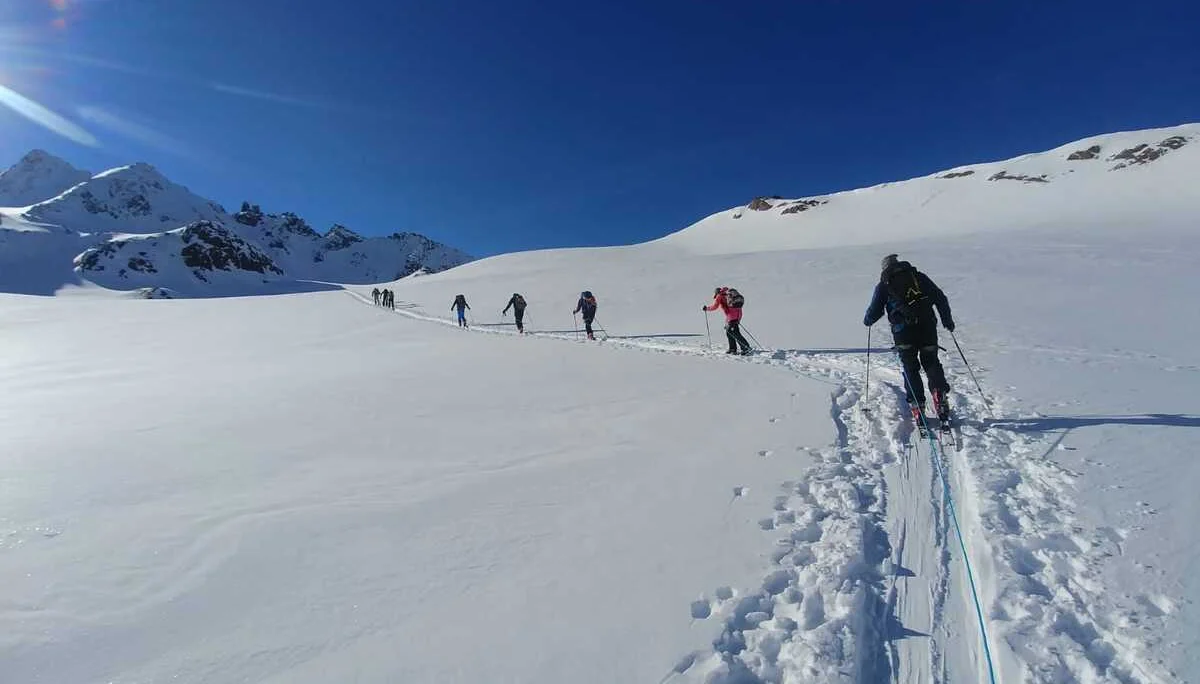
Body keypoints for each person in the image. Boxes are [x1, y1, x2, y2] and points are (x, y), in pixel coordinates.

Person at [863, 254, 955, 421]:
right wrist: (947, 320)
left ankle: (917, 404)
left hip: (903, 331)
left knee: (910, 367)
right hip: (927, 325)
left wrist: (868, 320)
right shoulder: (918, 277)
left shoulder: (884, 284)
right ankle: (939, 394)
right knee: (931, 361)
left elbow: (875, 310)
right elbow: (940, 298)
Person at [704, 286, 751, 355]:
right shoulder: (729, 294)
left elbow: (715, 307)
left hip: (732, 316)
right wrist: (738, 319)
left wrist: (707, 308)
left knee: (734, 333)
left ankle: (745, 348)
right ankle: (733, 349)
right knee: (731, 332)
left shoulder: (719, 296)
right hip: (738, 315)